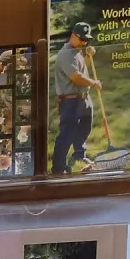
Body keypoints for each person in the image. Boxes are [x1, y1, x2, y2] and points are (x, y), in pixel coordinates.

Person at [52, 22, 101, 174]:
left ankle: (79, 155)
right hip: (71, 100)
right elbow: (75, 76)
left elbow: (82, 70)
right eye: (81, 39)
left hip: (83, 98)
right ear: (73, 35)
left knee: (85, 128)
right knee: (66, 134)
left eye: (86, 40)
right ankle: (58, 168)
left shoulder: (77, 51)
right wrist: (93, 83)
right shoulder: (66, 54)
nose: (84, 42)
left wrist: (87, 56)